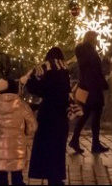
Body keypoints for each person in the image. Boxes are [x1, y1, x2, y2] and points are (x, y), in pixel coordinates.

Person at [24, 48, 71, 186]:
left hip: (48, 113)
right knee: (58, 147)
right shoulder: (65, 71)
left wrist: (30, 79)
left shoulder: (47, 71)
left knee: (47, 147)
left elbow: (37, 89)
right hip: (61, 113)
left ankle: (50, 175)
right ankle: (56, 176)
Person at [0, 78, 36, 186]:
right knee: (17, 177)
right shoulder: (22, 105)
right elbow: (32, 125)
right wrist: (26, 132)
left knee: (1, 179)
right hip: (17, 148)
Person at [69, 30, 109, 155]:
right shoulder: (90, 52)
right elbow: (96, 70)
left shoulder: (83, 52)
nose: (97, 41)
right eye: (96, 38)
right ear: (92, 39)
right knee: (94, 115)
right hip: (93, 88)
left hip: (87, 86)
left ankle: (79, 140)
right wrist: (103, 83)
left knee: (87, 115)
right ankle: (92, 143)